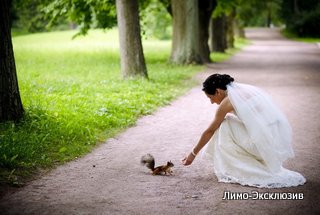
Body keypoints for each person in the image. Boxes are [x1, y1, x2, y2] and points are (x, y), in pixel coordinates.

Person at [182, 73, 306, 188]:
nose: (211, 102)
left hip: (261, 146)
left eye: (210, 97)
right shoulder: (242, 91)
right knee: (228, 121)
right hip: (273, 143)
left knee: (224, 124)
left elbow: (209, 131)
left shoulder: (227, 103)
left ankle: (238, 168)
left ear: (218, 91)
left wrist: (192, 154)